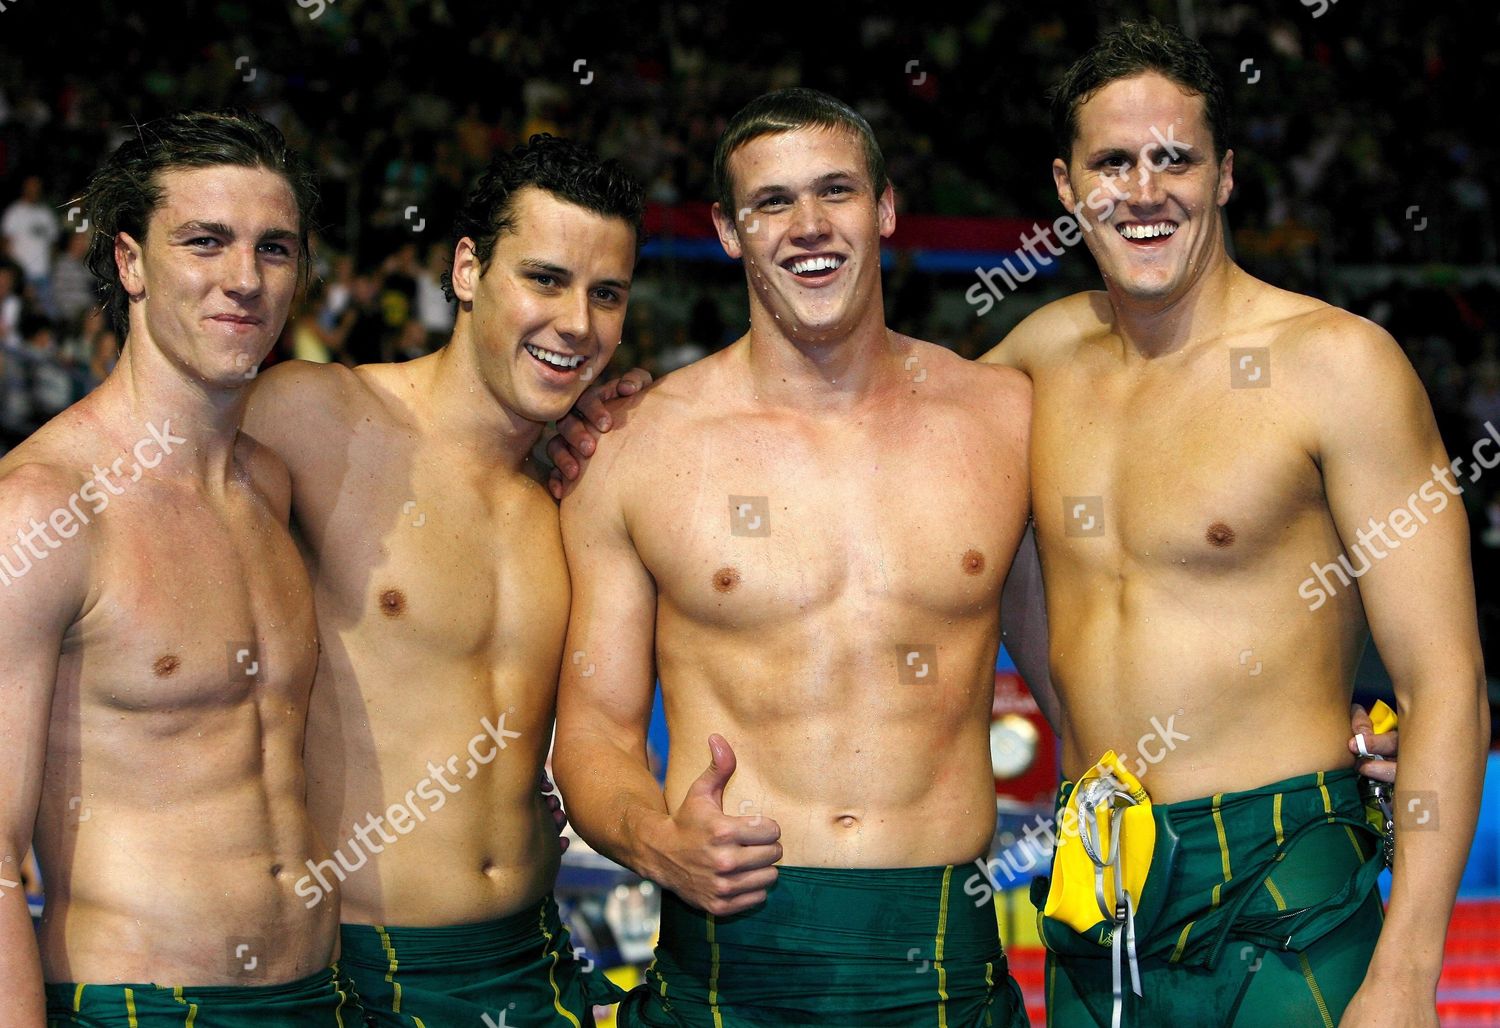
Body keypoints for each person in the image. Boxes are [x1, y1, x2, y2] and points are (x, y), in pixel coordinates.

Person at [976, 22, 1484, 1026]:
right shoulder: (1029, 365)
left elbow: (1446, 679)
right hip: (1101, 895)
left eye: (1176, 157)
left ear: (1226, 176)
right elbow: (874, 448)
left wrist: (1407, 972)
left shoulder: (1338, 365)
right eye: (1113, 161)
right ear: (1067, 186)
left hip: (1286, 881)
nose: (1145, 187)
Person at [553, 88, 1036, 1027]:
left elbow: (1082, 671)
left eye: (836, 192)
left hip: (943, 952)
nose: (808, 226)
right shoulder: (633, 444)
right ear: (729, 231)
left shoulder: (1005, 417)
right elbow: (597, 731)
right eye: (771, 202)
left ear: (886, 209)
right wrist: (657, 840)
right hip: (731, 956)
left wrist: (1325, 735)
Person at [241, 134, 646, 1028]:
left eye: (606, 294)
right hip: (358, 969)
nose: (577, 323)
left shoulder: (579, 489)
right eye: (544, 279)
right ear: (467, 269)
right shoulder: (317, 416)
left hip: (537, 961)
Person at [0, 109, 353, 1026]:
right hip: (142, 1005)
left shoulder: (270, 488)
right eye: (206, 242)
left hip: (319, 993)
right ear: (129, 263)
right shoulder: (41, 507)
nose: (245, 279)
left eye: (274, 249)